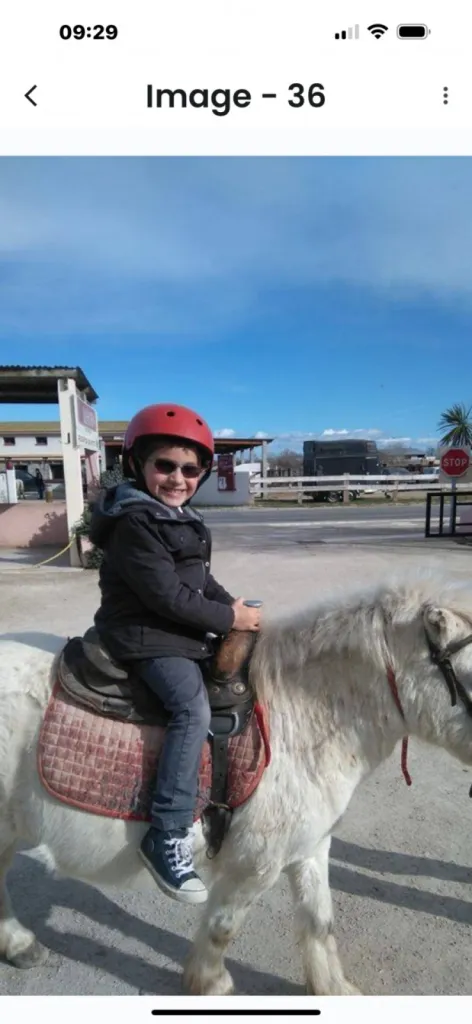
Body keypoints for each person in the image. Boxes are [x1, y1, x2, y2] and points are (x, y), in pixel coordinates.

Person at [89, 403, 261, 905]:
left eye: (190, 469)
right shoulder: (135, 522)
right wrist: (229, 621)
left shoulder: (179, 518)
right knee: (192, 707)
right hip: (142, 634)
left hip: (171, 629)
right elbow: (167, 596)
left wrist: (233, 605)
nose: (177, 478)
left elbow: (198, 580)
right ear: (137, 465)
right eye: (164, 465)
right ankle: (165, 832)